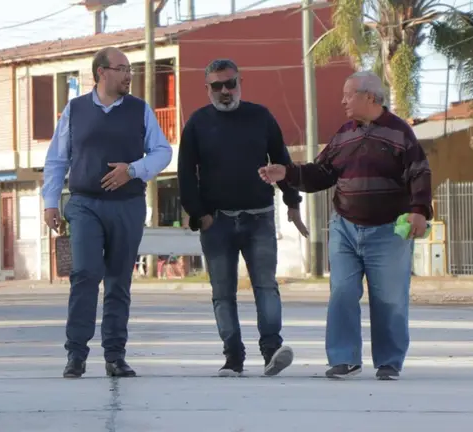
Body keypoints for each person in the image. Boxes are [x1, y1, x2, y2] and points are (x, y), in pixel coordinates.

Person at [258, 71, 432, 381]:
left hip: (388, 231)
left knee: (389, 299)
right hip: (345, 228)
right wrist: (287, 173)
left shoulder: (399, 133)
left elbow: (419, 172)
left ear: (370, 97)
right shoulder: (343, 135)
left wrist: (419, 210)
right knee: (341, 292)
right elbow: (321, 173)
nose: (342, 101)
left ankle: (389, 362)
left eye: (348, 95)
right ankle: (344, 359)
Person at [42, 47, 172, 379]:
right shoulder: (75, 110)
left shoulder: (140, 110)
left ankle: (115, 356)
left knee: (118, 280)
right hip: (85, 204)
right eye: (122, 69)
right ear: (101, 72)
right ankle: (76, 354)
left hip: (127, 205)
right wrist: (51, 202)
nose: (129, 75)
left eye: (129, 69)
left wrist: (133, 170)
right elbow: (57, 158)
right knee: (85, 274)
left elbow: (162, 152)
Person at [178, 59, 308, 377]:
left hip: (259, 217)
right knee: (223, 293)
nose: (225, 91)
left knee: (266, 286)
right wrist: (199, 215)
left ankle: (272, 351)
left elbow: (281, 161)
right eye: (217, 86)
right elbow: (185, 174)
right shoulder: (197, 123)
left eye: (230, 83)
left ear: (240, 83)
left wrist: (292, 202)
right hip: (217, 222)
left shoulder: (261, 117)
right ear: (207, 88)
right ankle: (233, 358)